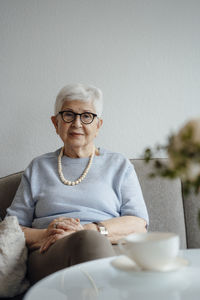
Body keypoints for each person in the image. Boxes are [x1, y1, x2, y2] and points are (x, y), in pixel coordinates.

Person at [7, 83, 149, 284]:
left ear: (98, 125)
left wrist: (88, 230)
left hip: (109, 247)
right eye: (68, 115)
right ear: (55, 123)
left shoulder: (119, 165)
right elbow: (11, 229)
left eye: (86, 116)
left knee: (90, 241)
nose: (77, 123)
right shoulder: (38, 167)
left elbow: (138, 224)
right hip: (49, 254)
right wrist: (46, 234)